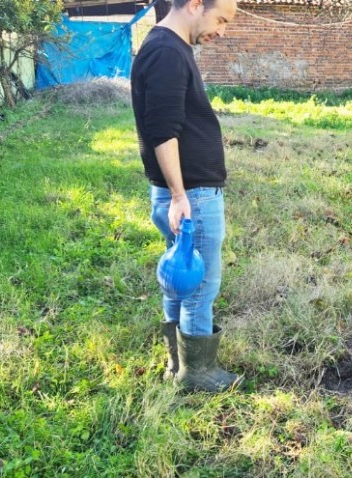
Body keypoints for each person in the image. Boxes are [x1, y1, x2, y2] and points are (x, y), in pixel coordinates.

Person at [131, 0, 240, 392]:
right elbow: (163, 130)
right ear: (195, 5)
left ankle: (178, 364)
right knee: (200, 285)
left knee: (181, 278)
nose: (221, 30)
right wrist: (180, 196)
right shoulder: (166, 52)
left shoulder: (166, 46)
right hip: (190, 195)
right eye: (220, 19)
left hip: (183, 192)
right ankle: (196, 374)